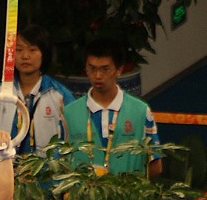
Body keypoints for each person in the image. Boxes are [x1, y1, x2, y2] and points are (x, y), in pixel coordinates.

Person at [0, 24, 75, 189]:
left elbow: (71, 144)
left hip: (49, 186)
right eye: (19, 50)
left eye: (32, 50)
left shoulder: (59, 95)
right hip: (5, 182)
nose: (25, 56)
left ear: (43, 54)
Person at [65, 38, 162, 179]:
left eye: (105, 69)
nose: (98, 76)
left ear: (119, 70)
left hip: (127, 198)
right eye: (92, 69)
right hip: (83, 199)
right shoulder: (69, 113)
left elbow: (155, 164)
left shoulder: (140, 111)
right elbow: (61, 162)